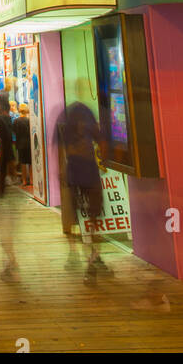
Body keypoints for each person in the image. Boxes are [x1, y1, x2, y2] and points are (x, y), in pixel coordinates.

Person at [56, 98, 112, 285]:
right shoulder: (87, 114)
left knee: (73, 212)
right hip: (88, 169)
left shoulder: (65, 116)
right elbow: (101, 140)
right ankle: (94, 254)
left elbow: (61, 148)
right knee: (94, 212)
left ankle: (76, 254)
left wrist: (62, 171)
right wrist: (104, 161)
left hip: (74, 169)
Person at [13, 102, 32, 187]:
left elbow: (14, 131)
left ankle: (24, 180)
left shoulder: (16, 121)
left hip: (20, 144)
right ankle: (31, 179)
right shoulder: (29, 121)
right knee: (31, 162)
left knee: (23, 162)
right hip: (29, 143)